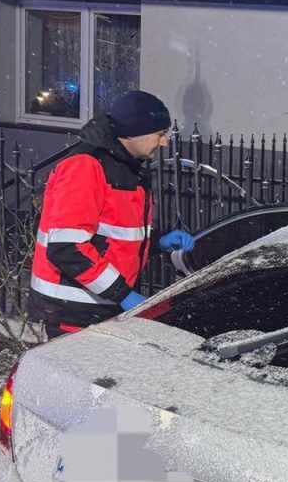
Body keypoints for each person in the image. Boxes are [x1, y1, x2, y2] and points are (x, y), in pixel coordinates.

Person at [28, 91, 194, 339]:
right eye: (160, 134)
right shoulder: (85, 167)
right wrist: (123, 294)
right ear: (133, 133)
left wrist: (158, 241)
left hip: (99, 309)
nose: (164, 143)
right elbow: (67, 248)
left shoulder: (125, 166)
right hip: (74, 313)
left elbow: (113, 231)